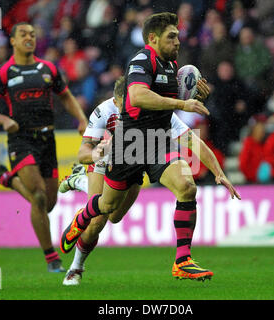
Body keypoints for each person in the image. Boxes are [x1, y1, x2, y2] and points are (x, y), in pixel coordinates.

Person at [60, 12, 240, 282]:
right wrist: (183, 103)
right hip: (129, 144)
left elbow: (190, 136)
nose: (177, 41)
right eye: (171, 36)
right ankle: (81, 218)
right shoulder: (142, 60)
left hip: (157, 143)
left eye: (178, 36)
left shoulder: (171, 66)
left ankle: (183, 261)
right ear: (153, 39)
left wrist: (218, 171)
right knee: (108, 209)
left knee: (187, 187)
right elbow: (137, 95)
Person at [0, 22, 88, 273]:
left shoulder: (48, 68)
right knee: (37, 196)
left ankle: (6, 178)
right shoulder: (2, 72)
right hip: (21, 140)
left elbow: (66, 96)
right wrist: (4, 120)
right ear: (13, 41)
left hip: (47, 140)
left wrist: (81, 119)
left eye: (32, 34)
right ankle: (52, 258)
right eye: (23, 34)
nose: (29, 37)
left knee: (47, 205)